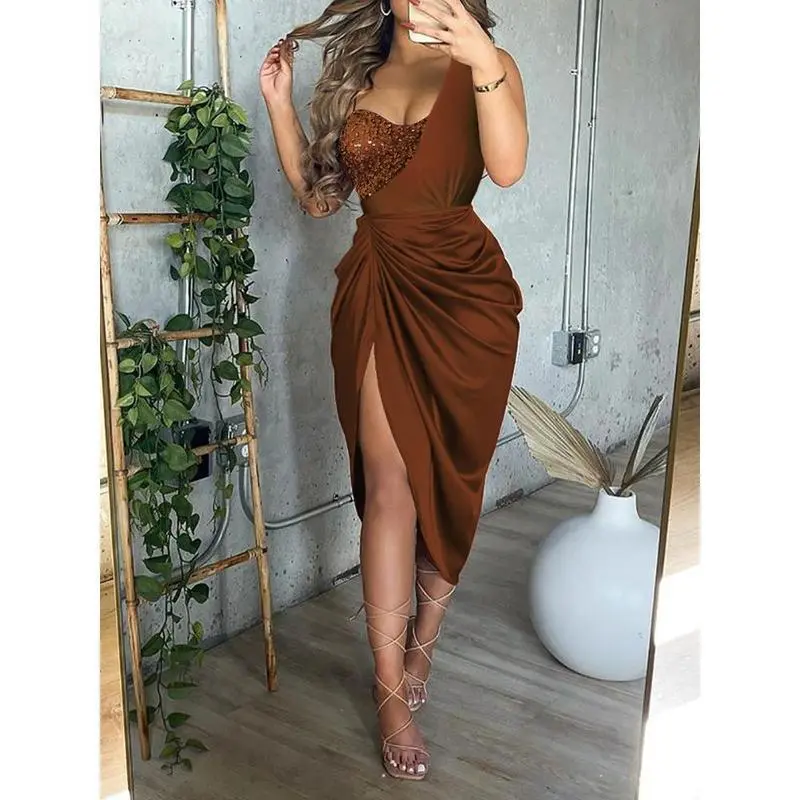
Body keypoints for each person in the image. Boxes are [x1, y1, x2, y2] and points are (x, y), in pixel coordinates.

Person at [260, 0, 527, 781]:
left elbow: (508, 168)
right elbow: (321, 200)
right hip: (378, 285)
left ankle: (423, 645)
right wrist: (279, 106)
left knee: (450, 482)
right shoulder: (361, 72)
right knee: (388, 485)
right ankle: (388, 693)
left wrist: (481, 58)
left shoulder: (489, 64)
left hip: (466, 298)